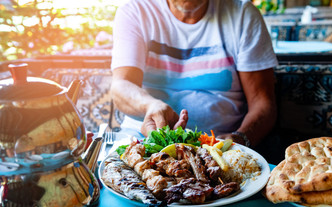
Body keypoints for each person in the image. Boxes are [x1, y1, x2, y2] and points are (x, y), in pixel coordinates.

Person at [111, 0, 278, 148]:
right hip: (141, 140)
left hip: (217, 148)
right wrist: (151, 105)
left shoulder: (242, 14)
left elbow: (263, 103)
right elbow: (121, 86)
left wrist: (240, 139)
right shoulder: (135, 11)